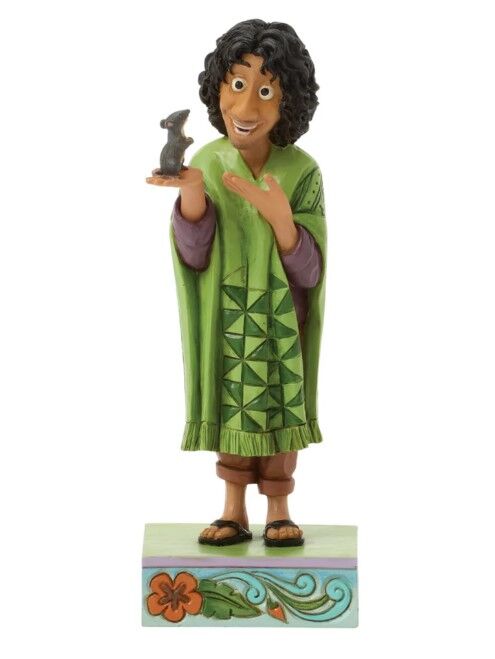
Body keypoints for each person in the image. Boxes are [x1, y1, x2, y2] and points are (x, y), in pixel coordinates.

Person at [147, 19, 326, 547]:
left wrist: (281, 220)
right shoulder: (208, 160)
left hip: (282, 319)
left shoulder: (302, 171)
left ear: (289, 100)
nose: (246, 107)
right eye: (238, 84)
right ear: (217, 87)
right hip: (226, 315)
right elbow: (194, 255)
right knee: (233, 407)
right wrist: (192, 193)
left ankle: (279, 509)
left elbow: (311, 271)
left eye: (265, 91)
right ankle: (232, 509)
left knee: (280, 407)